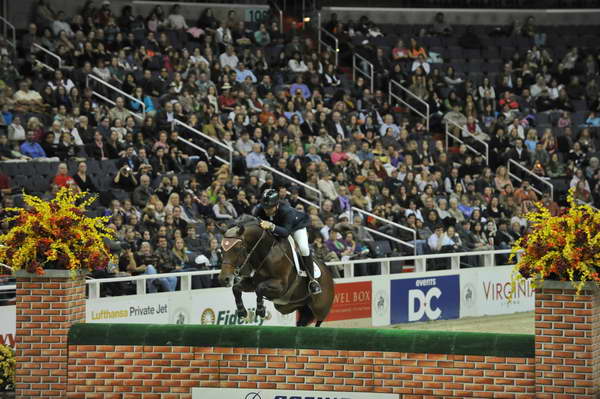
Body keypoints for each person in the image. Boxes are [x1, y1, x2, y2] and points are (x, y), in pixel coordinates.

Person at [253, 188, 321, 295]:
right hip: (278, 226)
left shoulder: (287, 211)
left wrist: (271, 226)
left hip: (296, 227)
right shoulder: (259, 208)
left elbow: (285, 233)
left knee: (303, 248)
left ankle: (312, 281)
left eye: (269, 208)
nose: (266, 211)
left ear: (276, 205)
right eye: (265, 207)